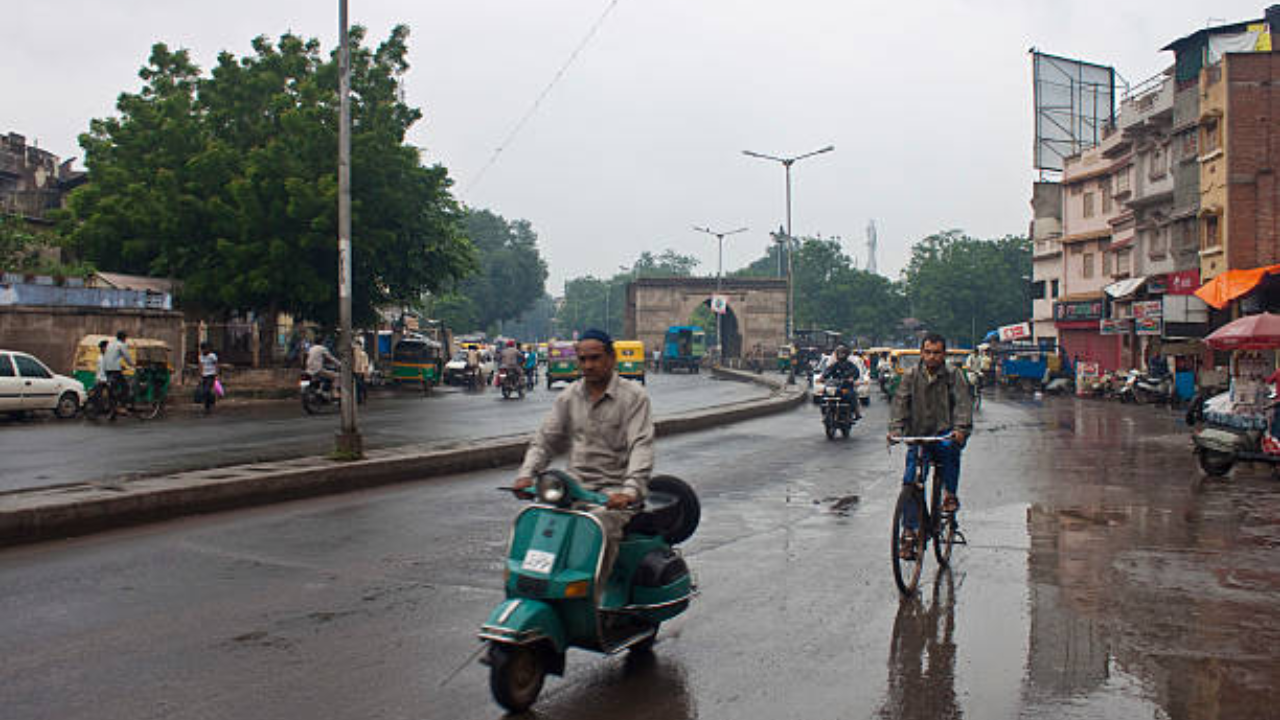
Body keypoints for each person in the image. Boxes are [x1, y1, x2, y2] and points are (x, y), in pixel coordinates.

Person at [514, 328, 655, 586]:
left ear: (611, 359)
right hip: (574, 491)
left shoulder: (634, 397)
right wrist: (527, 475)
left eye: (595, 358)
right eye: (583, 359)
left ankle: (593, 604)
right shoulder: (569, 397)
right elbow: (546, 440)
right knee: (541, 528)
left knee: (598, 529)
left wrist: (630, 491)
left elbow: (641, 446)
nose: (588, 365)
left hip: (613, 496)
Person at [888, 333, 974, 559]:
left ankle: (950, 494)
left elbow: (963, 405)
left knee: (949, 453)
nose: (932, 357)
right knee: (910, 481)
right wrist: (896, 430)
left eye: (936, 353)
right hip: (919, 436)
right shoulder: (910, 375)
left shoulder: (954, 375)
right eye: (927, 352)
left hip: (945, 434)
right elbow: (900, 404)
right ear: (921, 353)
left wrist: (961, 429)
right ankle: (910, 531)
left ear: (944, 354)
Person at [821, 345, 863, 419]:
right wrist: (822, 377)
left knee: (852, 395)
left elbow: (856, 373)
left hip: (846, 387)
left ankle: (856, 412)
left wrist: (852, 378)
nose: (841, 355)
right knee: (825, 393)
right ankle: (825, 411)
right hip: (836, 386)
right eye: (839, 353)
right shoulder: (834, 365)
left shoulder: (850, 365)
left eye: (842, 353)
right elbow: (828, 371)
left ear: (846, 354)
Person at [102, 330, 134, 409]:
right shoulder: (121, 345)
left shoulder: (110, 344)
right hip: (115, 370)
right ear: (123, 338)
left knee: (112, 389)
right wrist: (133, 365)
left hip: (107, 369)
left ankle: (113, 409)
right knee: (125, 387)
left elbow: (111, 357)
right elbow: (126, 356)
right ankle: (121, 403)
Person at [198, 342, 219, 414]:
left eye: (205, 349)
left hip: (211, 375)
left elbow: (216, 365)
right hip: (204, 375)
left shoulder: (212, 356)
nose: (204, 351)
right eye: (202, 349)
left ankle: (210, 403)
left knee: (207, 390)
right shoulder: (200, 357)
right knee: (205, 391)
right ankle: (207, 406)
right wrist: (200, 376)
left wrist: (216, 375)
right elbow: (200, 366)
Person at [353, 338, 370, 403]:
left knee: (359, 385)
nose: (356, 346)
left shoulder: (363, 354)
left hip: (360, 371)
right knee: (360, 385)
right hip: (358, 371)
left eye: (357, 345)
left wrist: (366, 373)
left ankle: (361, 398)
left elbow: (366, 364)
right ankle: (361, 398)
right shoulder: (355, 353)